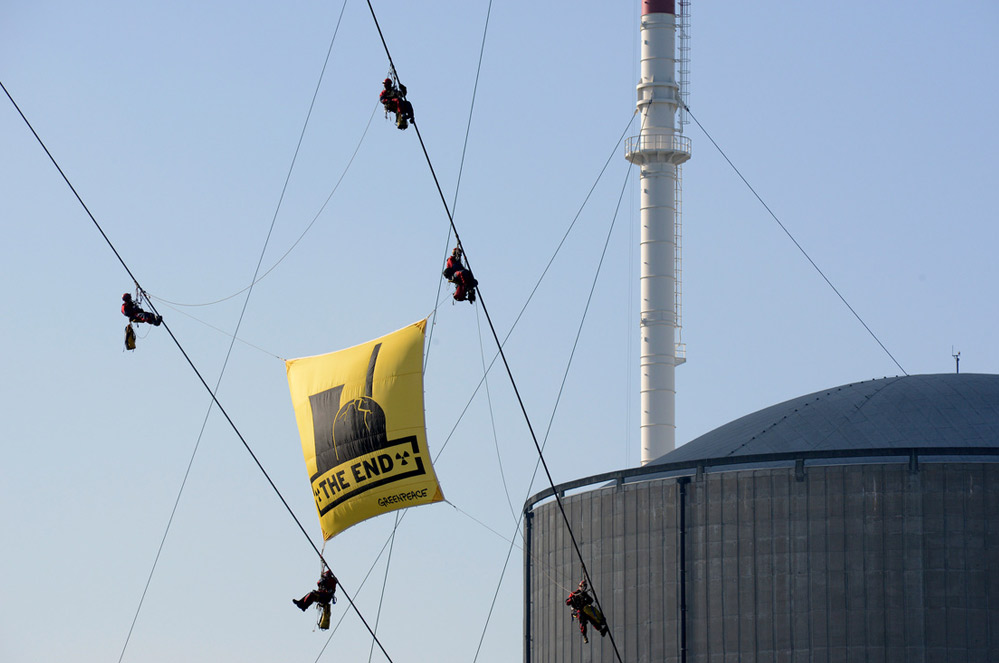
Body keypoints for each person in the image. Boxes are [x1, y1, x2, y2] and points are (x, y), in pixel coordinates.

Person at [565, 579, 607, 644]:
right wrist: (572, 599)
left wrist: (586, 599)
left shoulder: (584, 594)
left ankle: (601, 629)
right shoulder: (574, 594)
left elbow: (591, 600)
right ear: (580, 586)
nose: (584, 588)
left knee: (592, 619)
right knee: (583, 622)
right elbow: (567, 602)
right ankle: (585, 636)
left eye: (585, 587)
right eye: (583, 586)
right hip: (579, 611)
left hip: (585, 611)